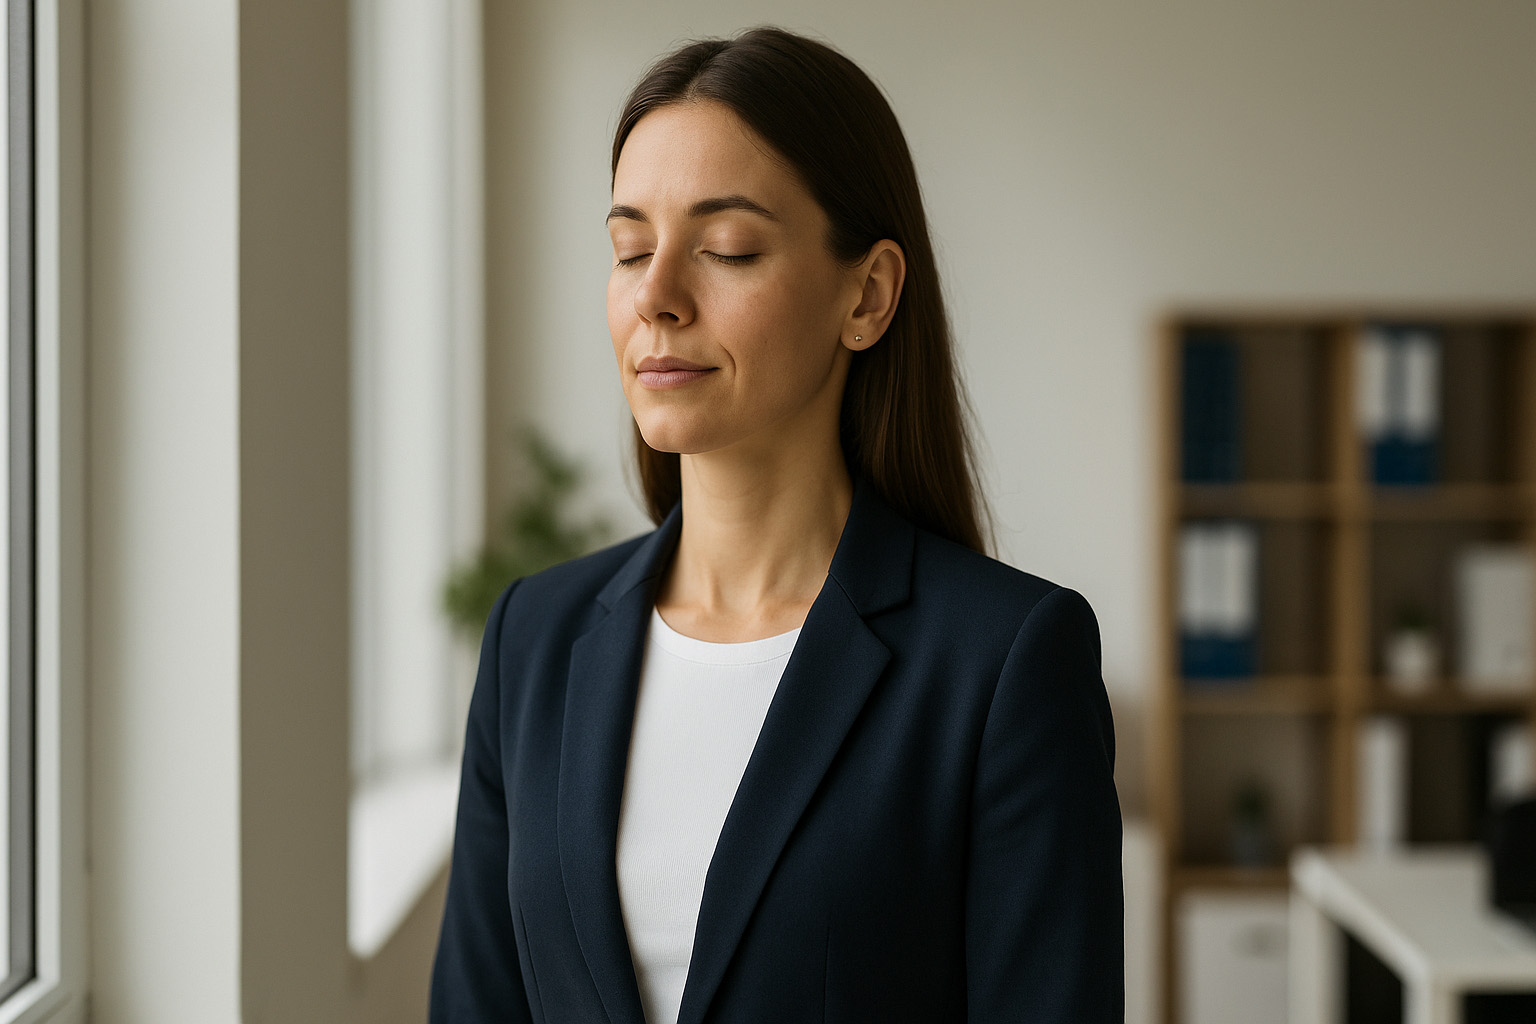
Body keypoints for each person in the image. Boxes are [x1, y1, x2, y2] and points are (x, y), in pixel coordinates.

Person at [430, 26, 1122, 1024]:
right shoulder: (532, 641)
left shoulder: (1005, 664)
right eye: (630, 249)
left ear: (869, 294)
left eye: (727, 249)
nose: (656, 297)